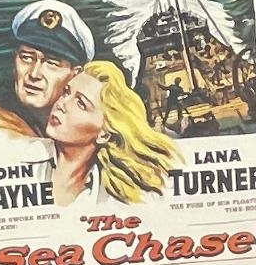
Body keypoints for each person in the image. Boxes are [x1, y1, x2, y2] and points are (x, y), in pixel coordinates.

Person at [40, 60, 181, 208]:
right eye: (66, 92)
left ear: (104, 134)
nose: (61, 104)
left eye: (81, 103)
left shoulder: (115, 197)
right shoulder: (27, 155)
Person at [0, 0, 95, 138]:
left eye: (52, 63)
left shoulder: (77, 130)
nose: (34, 74)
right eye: (27, 58)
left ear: (75, 75)